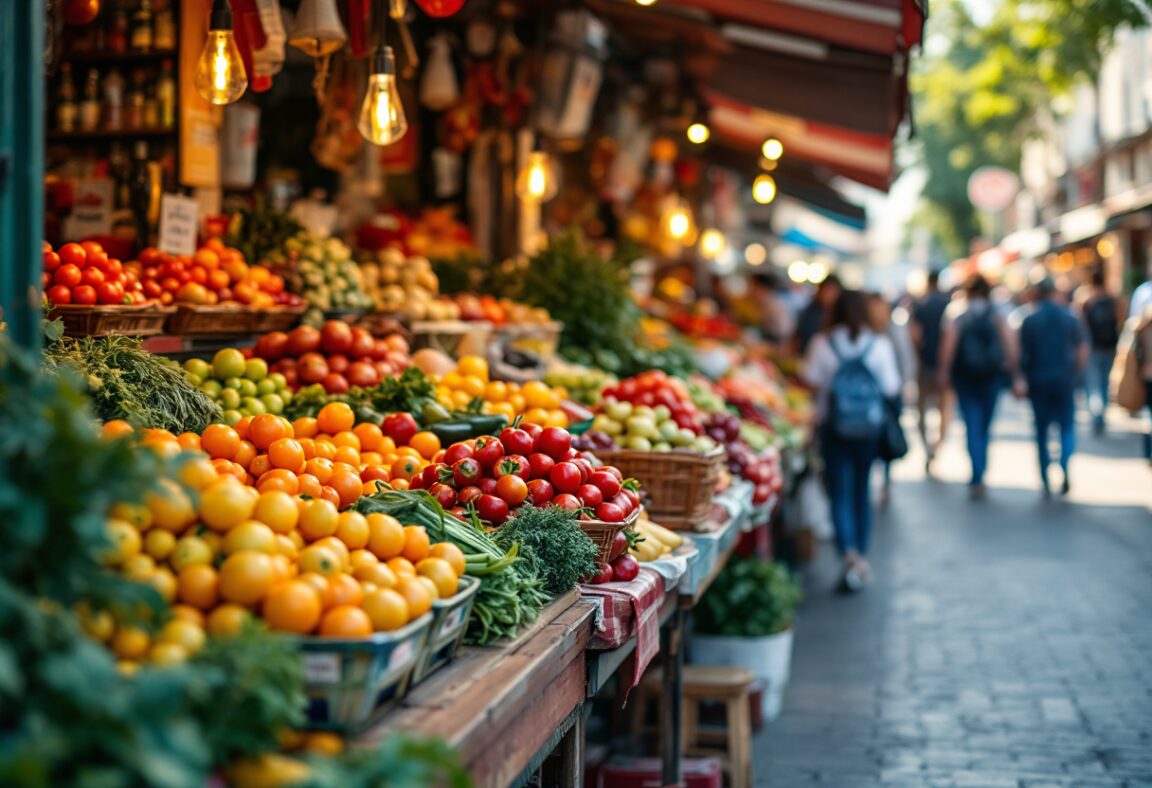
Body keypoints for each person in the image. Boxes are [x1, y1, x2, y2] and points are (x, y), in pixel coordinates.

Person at [802, 290, 901, 591]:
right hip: (869, 429)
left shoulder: (823, 343)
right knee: (861, 490)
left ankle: (849, 554)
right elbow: (892, 386)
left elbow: (809, 380)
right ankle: (860, 554)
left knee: (839, 492)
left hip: (833, 428)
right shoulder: (879, 344)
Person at [937, 274, 1017, 499]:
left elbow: (948, 346)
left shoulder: (957, 312)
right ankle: (980, 469)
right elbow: (1009, 342)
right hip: (991, 377)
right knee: (984, 426)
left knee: (971, 425)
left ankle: (977, 473)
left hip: (966, 377)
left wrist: (944, 372)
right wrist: (1013, 369)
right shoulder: (997, 312)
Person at [1016, 278, 1088, 497]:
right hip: (1064, 380)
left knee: (1042, 430)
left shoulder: (1029, 318)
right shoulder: (1070, 317)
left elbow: (1021, 353)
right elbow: (1082, 349)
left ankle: (1045, 475)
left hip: (1039, 381)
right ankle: (1064, 465)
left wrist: (1020, 377)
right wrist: (1076, 374)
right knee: (1066, 427)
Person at [869, 293, 916, 507]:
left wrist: (905, 383)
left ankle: (885, 481)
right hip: (882, 394)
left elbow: (906, 359)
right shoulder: (870, 333)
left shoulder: (890, 331)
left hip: (887, 394)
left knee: (886, 436)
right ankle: (882, 480)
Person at [910, 270, 953, 470]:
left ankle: (928, 446)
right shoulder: (949, 304)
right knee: (945, 411)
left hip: (925, 365)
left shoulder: (920, 305)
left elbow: (914, 336)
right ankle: (937, 446)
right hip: (946, 368)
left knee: (921, 411)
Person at [1078, 269, 1123, 434]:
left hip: (1092, 347)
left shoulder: (1086, 300)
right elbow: (1120, 320)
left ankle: (1095, 415)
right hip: (1109, 347)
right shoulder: (1112, 300)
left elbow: (1080, 325)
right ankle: (1101, 414)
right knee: (1104, 383)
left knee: (1092, 384)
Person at [794, 274, 842, 355]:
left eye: (831, 291)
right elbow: (798, 337)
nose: (827, 295)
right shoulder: (809, 312)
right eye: (825, 290)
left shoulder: (841, 315)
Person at [750, 271, 796, 344]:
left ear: (761, 286)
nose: (750, 289)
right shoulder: (766, 301)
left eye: (753, 285)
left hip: (778, 340)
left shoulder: (771, 302)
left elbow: (784, 329)